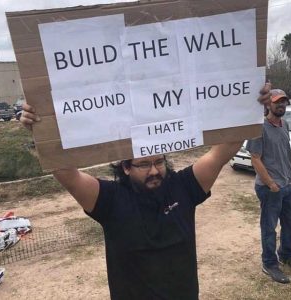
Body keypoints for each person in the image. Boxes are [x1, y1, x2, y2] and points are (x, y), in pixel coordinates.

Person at [21, 85, 270, 300]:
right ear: (126, 168)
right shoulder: (108, 198)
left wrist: (248, 104)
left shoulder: (183, 186)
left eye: (159, 162)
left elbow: (222, 152)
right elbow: (67, 174)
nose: (154, 171)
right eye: (143, 165)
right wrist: (41, 130)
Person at [247, 89, 291, 284]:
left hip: (287, 185)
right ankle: (269, 263)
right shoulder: (259, 128)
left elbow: (284, 154)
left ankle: (285, 253)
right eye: (277, 102)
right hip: (270, 188)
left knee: (290, 224)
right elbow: (255, 158)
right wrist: (271, 184)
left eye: (283, 102)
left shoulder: (284, 124)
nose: (281, 105)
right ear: (268, 105)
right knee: (269, 227)